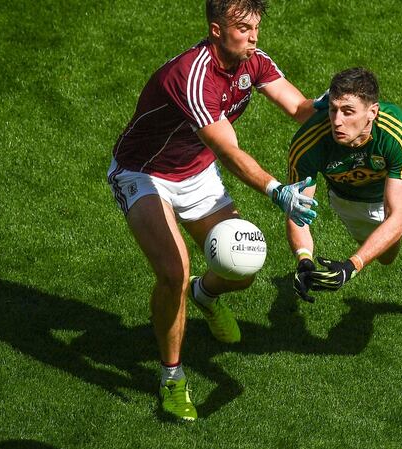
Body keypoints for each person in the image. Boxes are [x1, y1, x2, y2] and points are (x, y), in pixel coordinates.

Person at [106, 0, 318, 421]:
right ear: (217, 30)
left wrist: (341, 104)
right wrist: (279, 191)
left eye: (256, 27)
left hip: (197, 173)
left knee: (244, 266)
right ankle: (172, 377)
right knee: (174, 272)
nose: (254, 36)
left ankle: (206, 295)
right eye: (244, 28)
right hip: (145, 174)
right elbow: (229, 151)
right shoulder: (193, 75)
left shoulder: (252, 61)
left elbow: (300, 109)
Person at [286, 67, 402, 303]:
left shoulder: (395, 132)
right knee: (386, 256)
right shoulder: (307, 144)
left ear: (372, 112)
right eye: (333, 110)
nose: (337, 121)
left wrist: (350, 267)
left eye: (348, 112)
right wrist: (304, 260)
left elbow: (396, 218)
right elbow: (298, 211)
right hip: (351, 199)